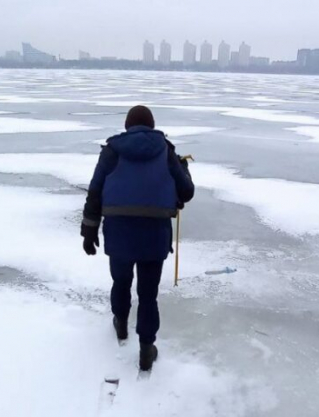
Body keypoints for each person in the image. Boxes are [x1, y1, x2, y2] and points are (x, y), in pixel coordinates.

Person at [81, 105, 194, 371]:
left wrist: (89, 230)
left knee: (121, 282)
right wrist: (183, 168)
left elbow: (95, 192)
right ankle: (146, 349)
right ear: (152, 126)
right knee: (148, 294)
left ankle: (120, 324)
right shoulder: (166, 151)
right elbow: (186, 192)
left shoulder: (112, 151)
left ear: (126, 125)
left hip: (118, 232)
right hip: (154, 235)